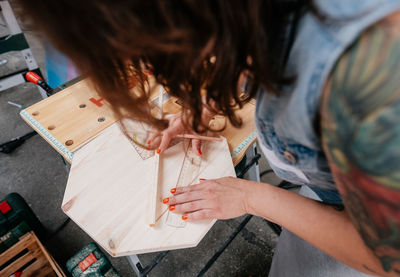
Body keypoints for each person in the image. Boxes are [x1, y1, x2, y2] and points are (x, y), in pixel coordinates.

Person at [17, 0, 400, 276]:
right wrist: (207, 104)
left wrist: (252, 196)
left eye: (147, 56)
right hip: (332, 202)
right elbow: (257, 46)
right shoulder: (257, 17)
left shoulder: (368, 81)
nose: (149, 69)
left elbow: (385, 257)